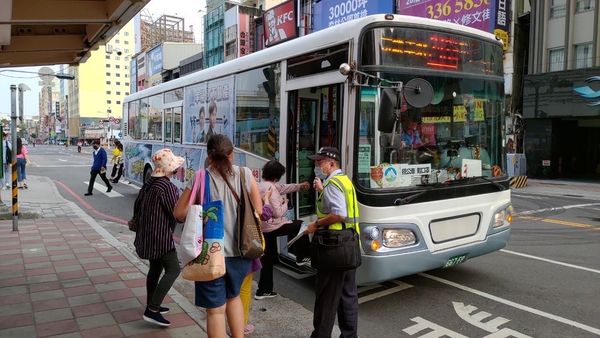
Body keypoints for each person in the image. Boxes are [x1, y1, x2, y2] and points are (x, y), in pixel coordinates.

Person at [174, 134, 263, 338]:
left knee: (215, 310)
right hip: (241, 252)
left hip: (210, 256)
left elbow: (178, 213)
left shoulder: (200, 177)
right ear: (232, 154)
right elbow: (258, 209)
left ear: (209, 156)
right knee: (233, 298)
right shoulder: (245, 174)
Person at [306, 146, 360, 338]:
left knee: (326, 299)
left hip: (333, 247)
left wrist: (316, 224)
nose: (317, 165)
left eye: (320, 162)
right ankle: (349, 335)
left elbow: (339, 214)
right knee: (348, 296)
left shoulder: (333, 184)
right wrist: (322, 190)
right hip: (349, 245)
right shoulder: (343, 180)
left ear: (331, 163)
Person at [133, 148, 183, 327]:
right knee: (174, 270)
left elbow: (137, 205)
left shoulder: (149, 184)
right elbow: (176, 214)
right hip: (161, 236)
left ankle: (152, 304)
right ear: (170, 168)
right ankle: (152, 310)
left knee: (155, 268)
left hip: (147, 234)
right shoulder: (167, 187)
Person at [255, 160, 311, 300]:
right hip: (273, 226)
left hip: (263, 228)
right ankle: (302, 256)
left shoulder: (261, 185)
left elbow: (284, 188)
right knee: (301, 225)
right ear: (277, 176)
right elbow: (278, 213)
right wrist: (285, 203)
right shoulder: (271, 190)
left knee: (267, 260)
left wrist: (299, 186)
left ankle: (264, 291)